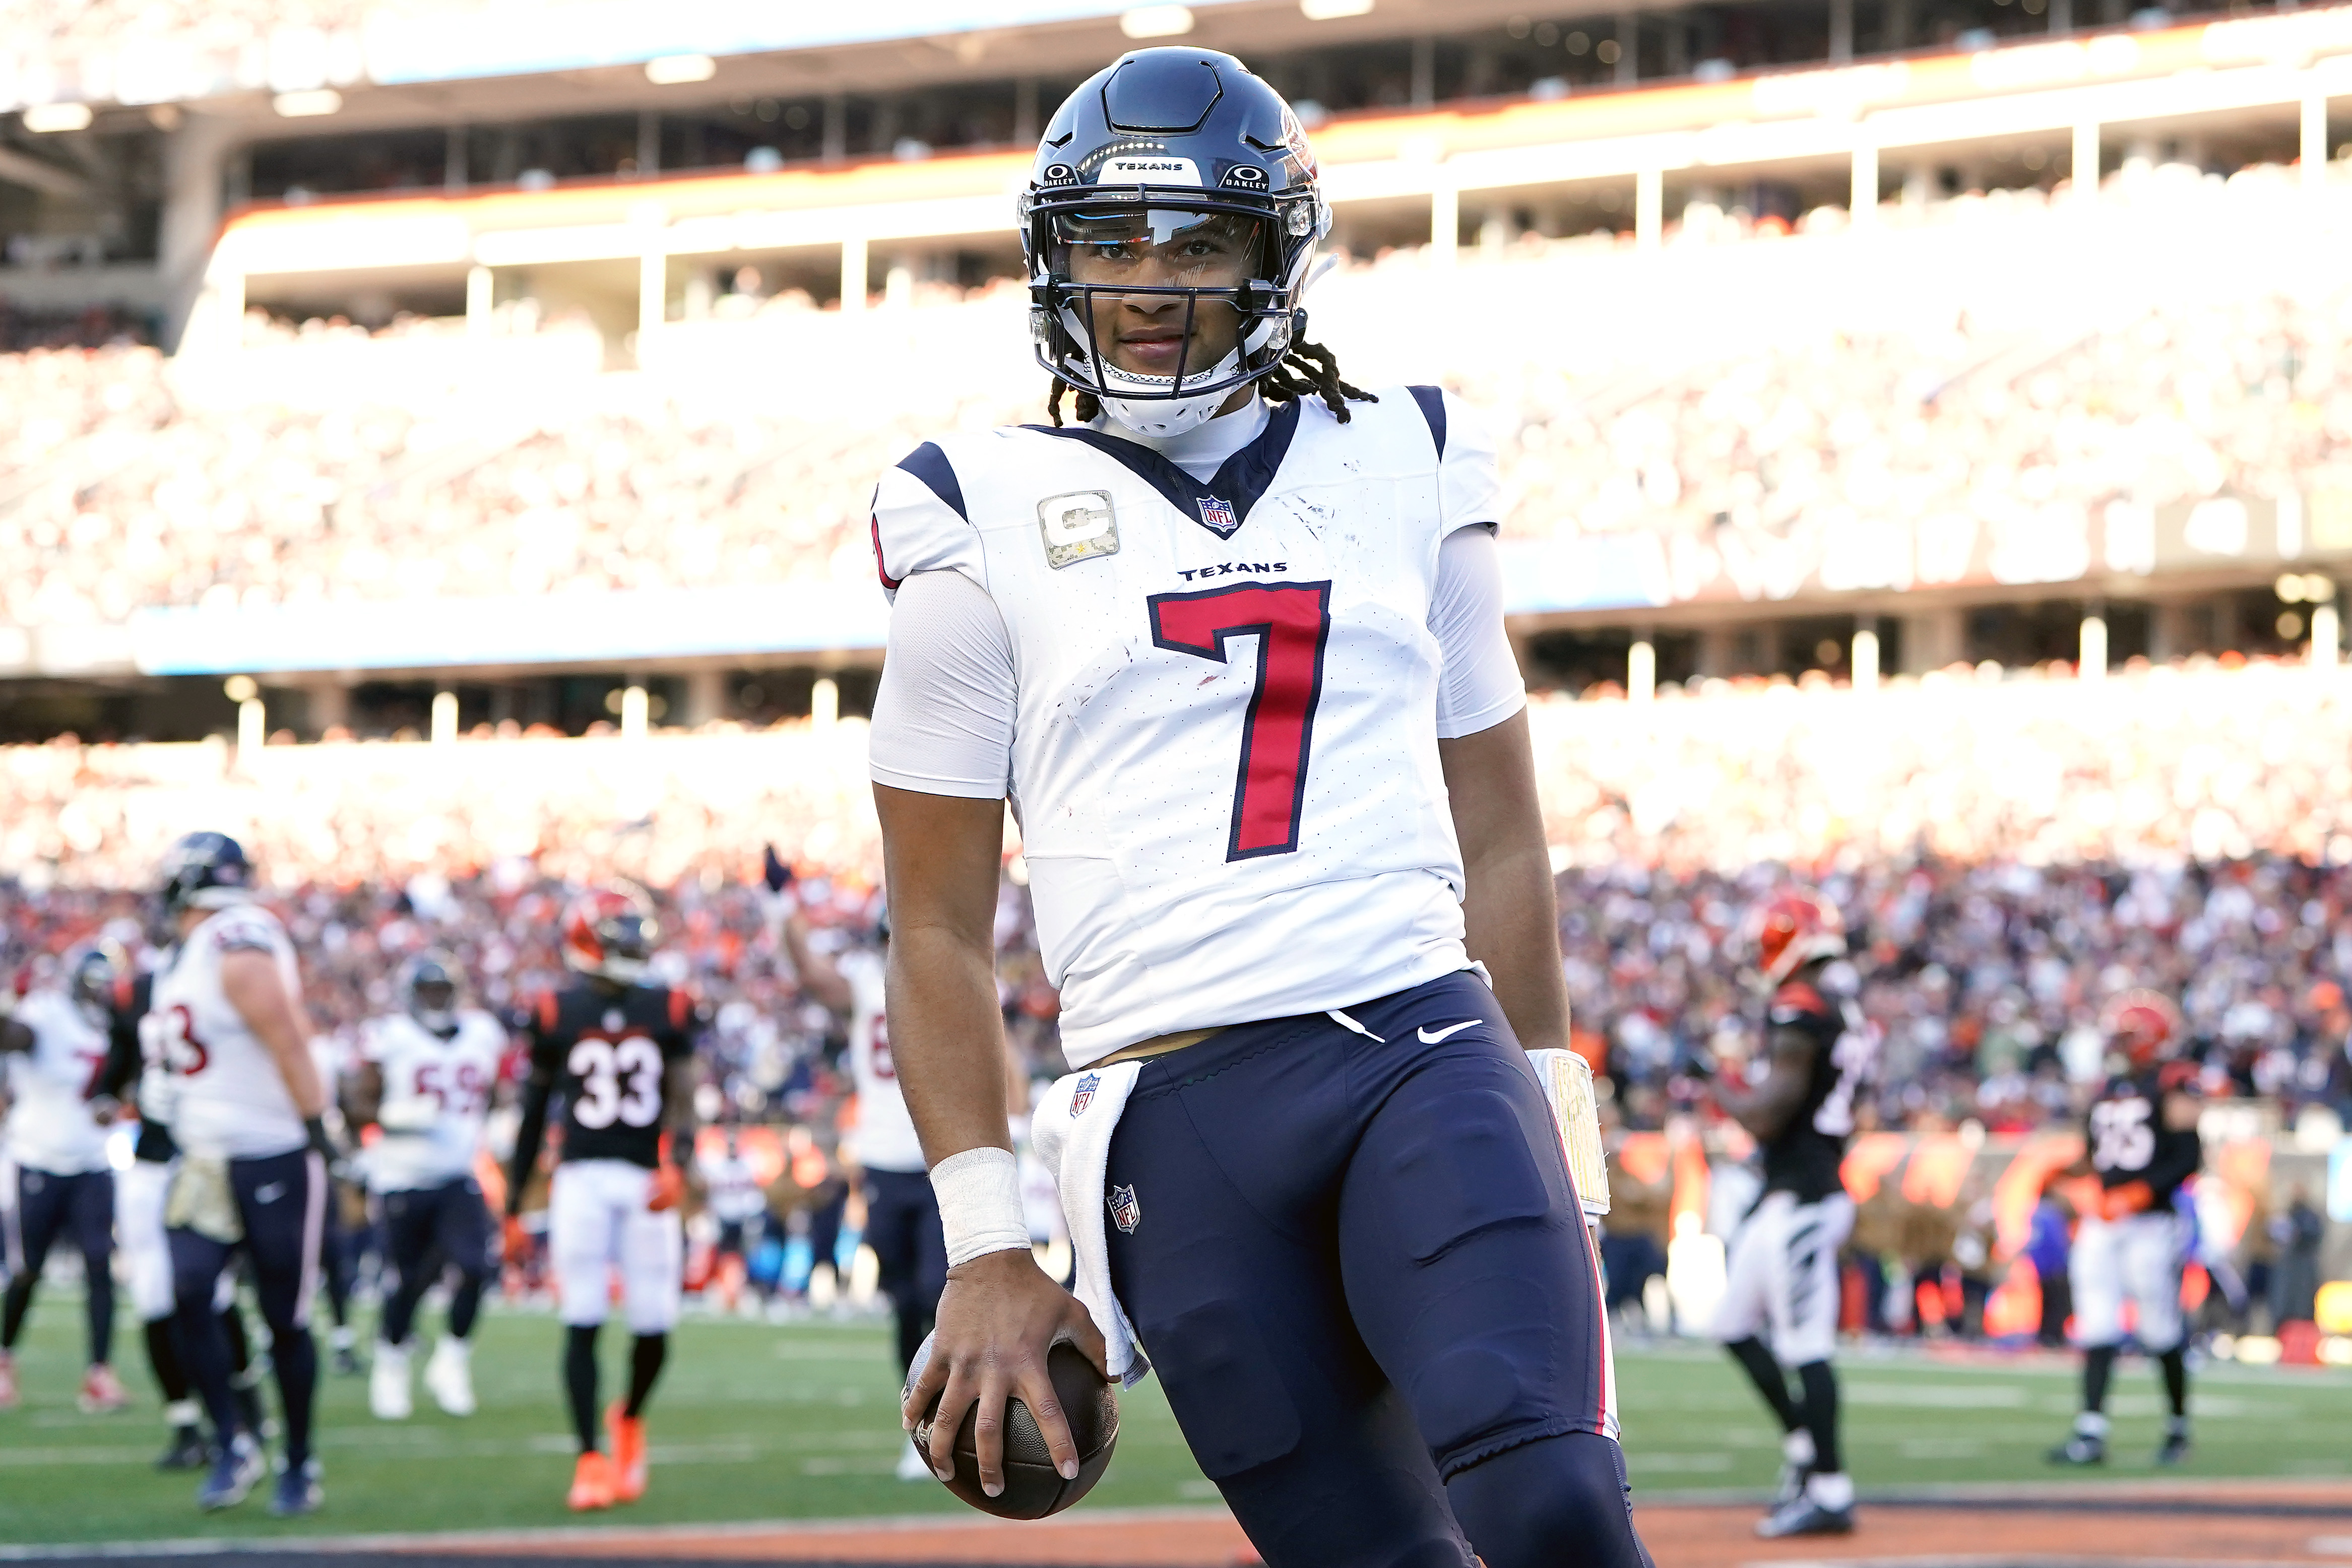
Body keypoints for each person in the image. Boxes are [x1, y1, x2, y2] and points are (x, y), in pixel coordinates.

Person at [871, 49, 1651, 1568]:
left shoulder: (1406, 446)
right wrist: (982, 1238)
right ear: (1054, 260)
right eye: (1110, 241)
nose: (1152, 282)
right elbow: (938, 927)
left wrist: (1551, 1085)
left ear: (1275, 254)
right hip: (1172, 1112)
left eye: (1199, 241)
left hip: (1412, 1044)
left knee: (1550, 1505)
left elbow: (1496, 823)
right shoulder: (963, 501)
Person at [148, 831, 337, 1515]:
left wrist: (319, 1132)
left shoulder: (237, 934)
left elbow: (284, 1031)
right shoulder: (187, 952)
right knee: (189, 1293)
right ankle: (235, 1440)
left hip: (272, 1153)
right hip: (204, 1156)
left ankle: (299, 1459)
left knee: (284, 1318)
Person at [502, 885, 700, 1512]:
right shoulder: (554, 1010)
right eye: (619, 931)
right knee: (582, 1318)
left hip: (646, 1180)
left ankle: (630, 1416)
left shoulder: (668, 1005)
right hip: (581, 1178)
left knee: (654, 1325)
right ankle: (589, 1457)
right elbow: (533, 1115)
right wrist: (512, 1204)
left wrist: (682, 1163)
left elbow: (684, 1094)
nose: (633, 942)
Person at [1699, 891, 1875, 1538]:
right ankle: (1805, 1451)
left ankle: (1829, 1489)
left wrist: (1715, 1083)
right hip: (1795, 1192)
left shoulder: (1801, 1007)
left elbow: (1765, 1113)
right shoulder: (1843, 1008)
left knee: (1807, 1347)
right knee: (1732, 1324)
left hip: (1804, 1197)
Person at [780, 888, 945, 1484]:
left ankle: (947, 1418)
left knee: (936, 1293)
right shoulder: (861, 981)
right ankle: (919, 1424)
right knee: (903, 1303)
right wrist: (782, 911)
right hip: (880, 1160)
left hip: (938, 1158)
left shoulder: (946, 975)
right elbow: (809, 973)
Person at [101, 946, 269, 1470]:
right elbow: (114, 1071)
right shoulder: (141, 991)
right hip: (153, 1162)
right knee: (154, 1295)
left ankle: (245, 1412)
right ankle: (185, 1424)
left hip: (202, 1159)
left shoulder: (232, 987)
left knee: (211, 1294)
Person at [2046, 990, 2201, 1468]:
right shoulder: (2106, 1090)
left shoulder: (2172, 1084)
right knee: (2096, 1324)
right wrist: (2074, 1180)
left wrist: (2140, 1192)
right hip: (2104, 1221)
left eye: (2127, 1036)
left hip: (2150, 1223)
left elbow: (2188, 1157)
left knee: (2158, 1328)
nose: (2117, 1044)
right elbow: (2096, 1156)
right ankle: (2090, 1431)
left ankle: (2177, 1426)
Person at [350, 951, 504, 1421]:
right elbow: (357, 1103)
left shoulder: (482, 1034)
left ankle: (452, 1360)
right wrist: (395, 1118)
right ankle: (391, 1364)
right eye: (428, 991)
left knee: (476, 1268)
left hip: (457, 1175)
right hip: (401, 1179)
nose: (436, 999)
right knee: (407, 1282)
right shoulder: (391, 1038)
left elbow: (493, 1094)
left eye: (443, 990)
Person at [0, 948, 128, 1416]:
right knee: (28, 1268)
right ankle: (4, 1358)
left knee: (100, 1263)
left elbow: (122, 1072)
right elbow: (15, 1036)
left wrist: (115, 1098)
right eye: (93, 981)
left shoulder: (111, 1023)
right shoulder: (46, 1012)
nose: (99, 990)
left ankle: (99, 1373)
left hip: (93, 1159)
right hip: (40, 1157)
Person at [694, 1126, 769, 1315]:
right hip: (719, 1216)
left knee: (746, 1254)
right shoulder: (713, 1163)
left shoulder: (750, 1162)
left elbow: (758, 1194)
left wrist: (752, 1213)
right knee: (712, 1251)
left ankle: (744, 1290)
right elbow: (699, 1182)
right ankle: (715, 1289)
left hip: (743, 1217)